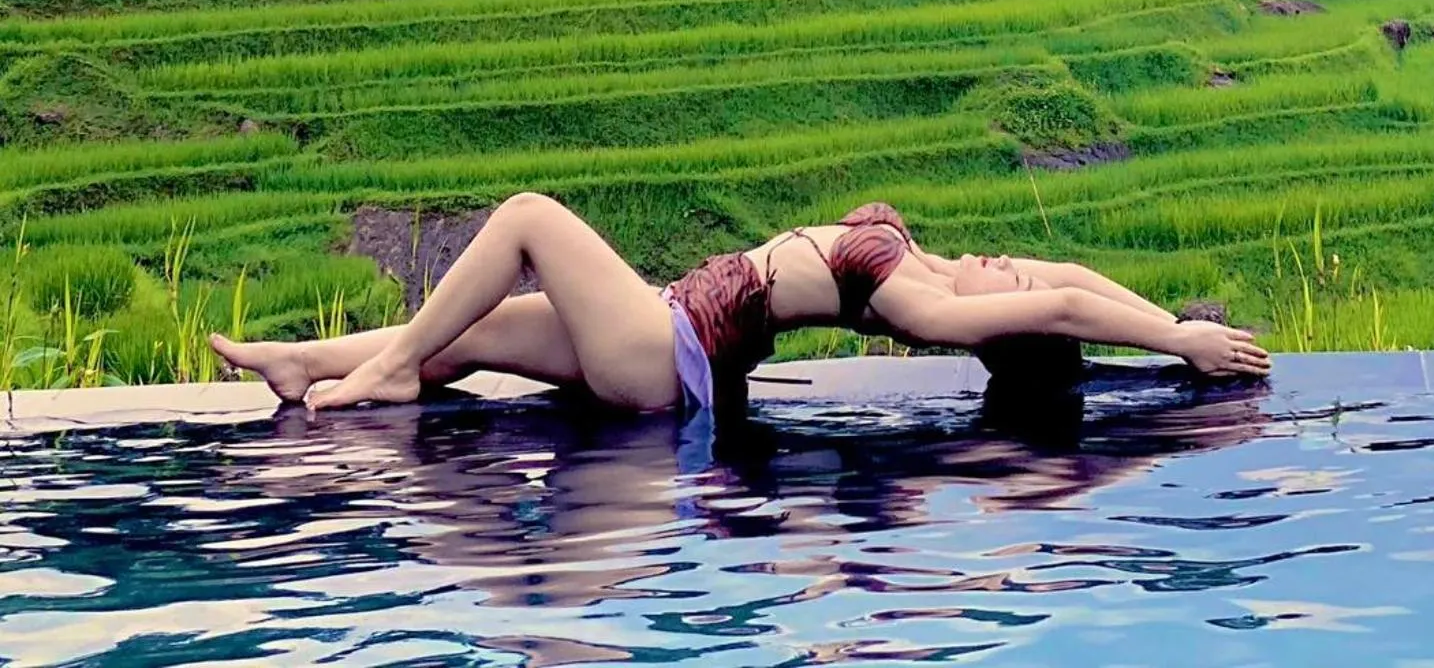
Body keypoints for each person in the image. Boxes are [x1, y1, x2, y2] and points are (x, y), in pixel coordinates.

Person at [211, 194, 1270, 419]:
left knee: (529, 217)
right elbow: (1072, 287)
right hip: (665, 325)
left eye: (1013, 278)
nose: (1014, 262)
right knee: (478, 329)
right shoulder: (943, 265)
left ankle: (389, 369)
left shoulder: (923, 298)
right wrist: (1179, 329)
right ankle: (307, 360)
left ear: (1003, 321)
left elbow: (1050, 308)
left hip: (665, 351)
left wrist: (1175, 342)